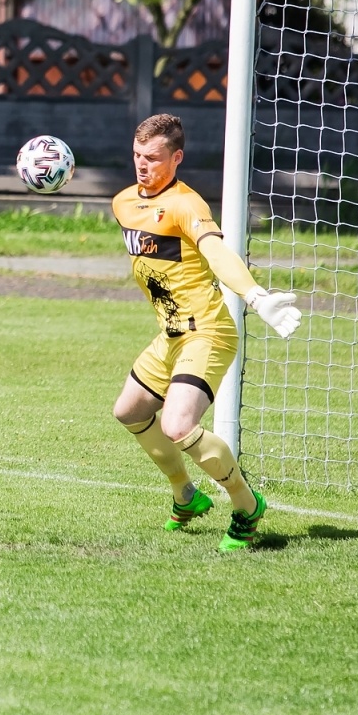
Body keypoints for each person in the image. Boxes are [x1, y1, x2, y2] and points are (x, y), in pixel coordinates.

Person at [110, 113, 302, 552]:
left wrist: (255, 296)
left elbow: (216, 252)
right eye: (138, 155)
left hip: (208, 333)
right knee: (130, 412)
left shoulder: (186, 204)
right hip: (172, 335)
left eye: (153, 158)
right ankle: (185, 494)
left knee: (178, 424)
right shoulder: (122, 203)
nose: (142, 165)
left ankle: (246, 504)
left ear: (176, 158)